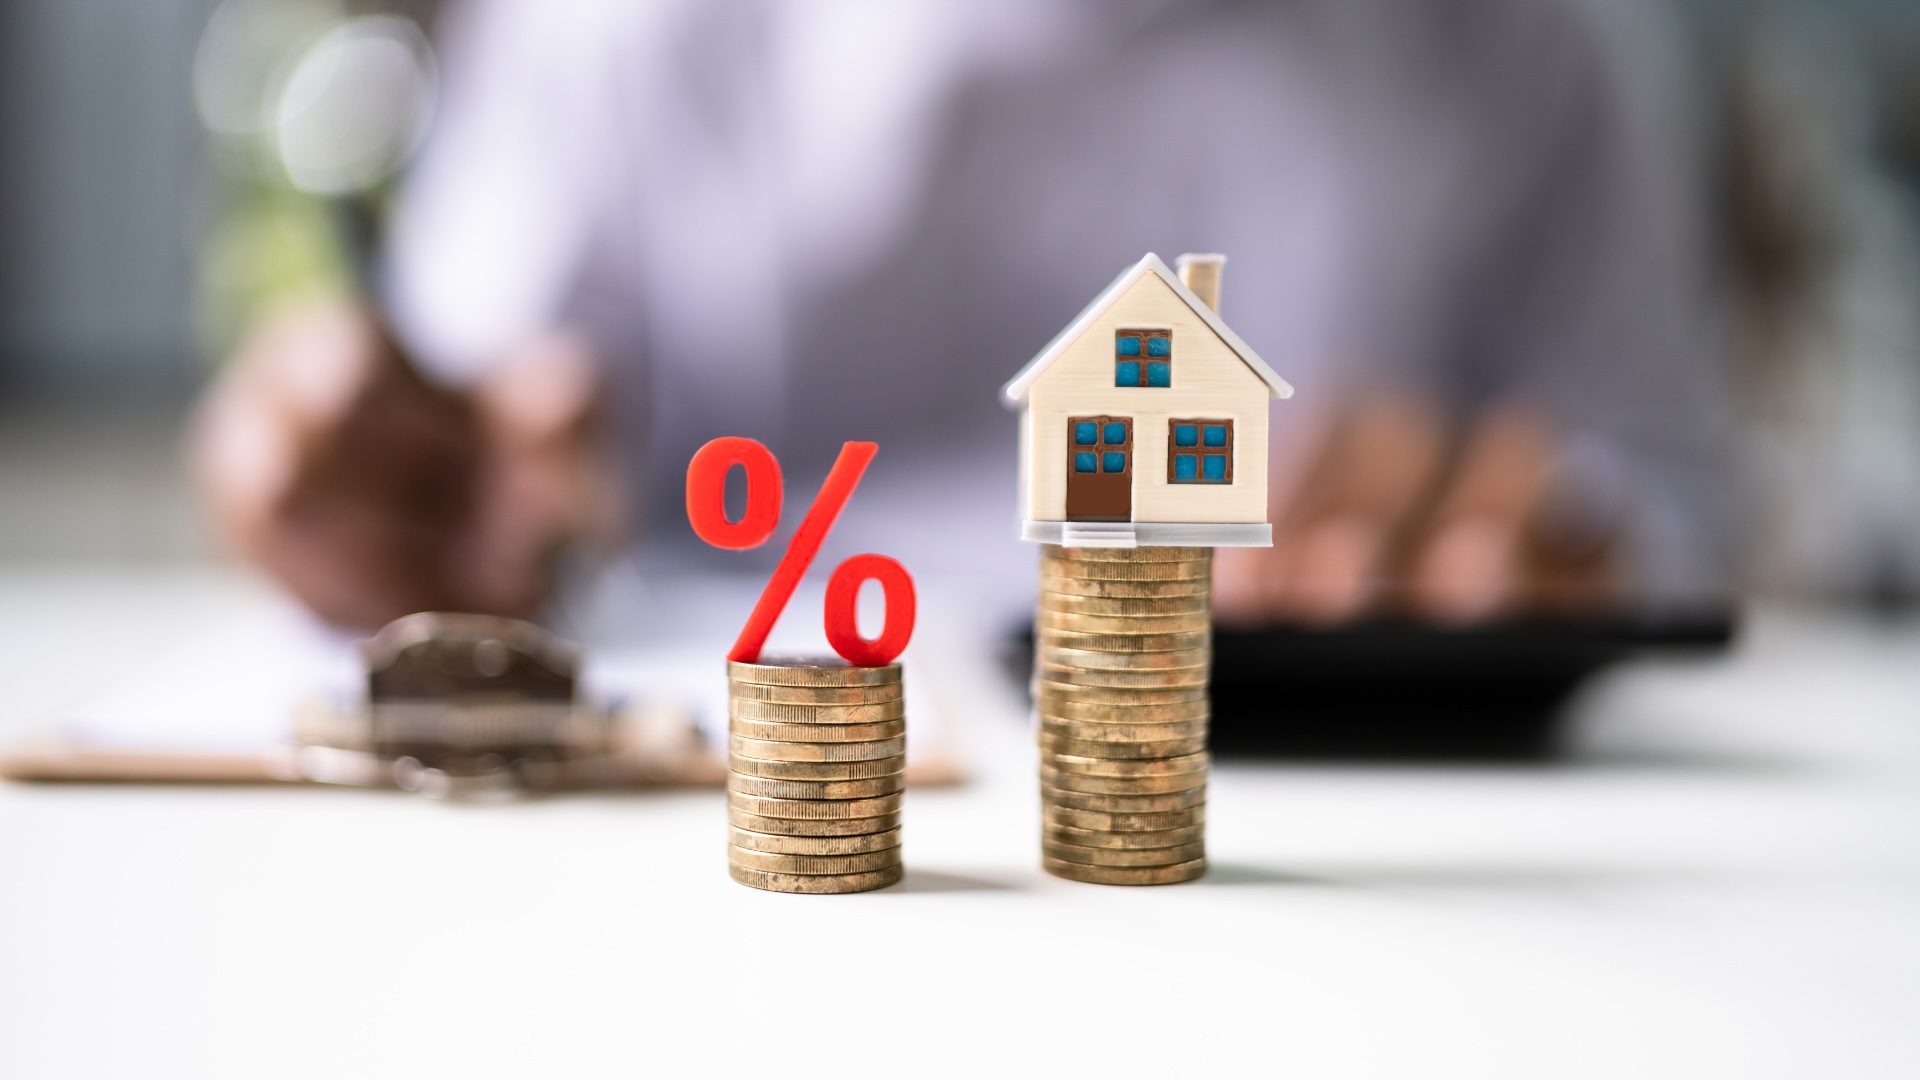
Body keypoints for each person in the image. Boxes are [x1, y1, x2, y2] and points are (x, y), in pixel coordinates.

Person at [196, 0, 1731, 632]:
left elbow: (1668, 511)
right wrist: (388, 481)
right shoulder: (613, 36)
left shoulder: (1534, 48)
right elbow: (459, 442)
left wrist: (1546, 534)